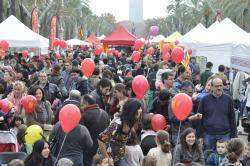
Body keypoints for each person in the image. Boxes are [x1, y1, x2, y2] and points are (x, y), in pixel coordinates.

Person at [98, 99, 143, 166]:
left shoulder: (132, 121)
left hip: (119, 156)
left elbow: (122, 138)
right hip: (107, 156)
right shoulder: (117, 123)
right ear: (133, 110)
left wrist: (123, 148)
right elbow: (101, 141)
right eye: (139, 108)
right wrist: (107, 158)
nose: (141, 110)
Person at [197, 77, 237, 151]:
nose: (219, 88)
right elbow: (199, 119)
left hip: (225, 135)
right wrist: (199, 136)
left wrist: (234, 135)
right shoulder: (204, 100)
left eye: (220, 85)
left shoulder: (229, 99)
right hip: (208, 135)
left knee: (224, 159)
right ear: (211, 87)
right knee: (208, 158)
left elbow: (232, 118)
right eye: (216, 86)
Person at [80, 94, 110, 166]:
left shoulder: (84, 115)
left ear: (86, 103)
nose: (81, 107)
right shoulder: (105, 113)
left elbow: (81, 133)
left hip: (88, 149)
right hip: (102, 149)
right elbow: (108, 132)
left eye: (82, 104)